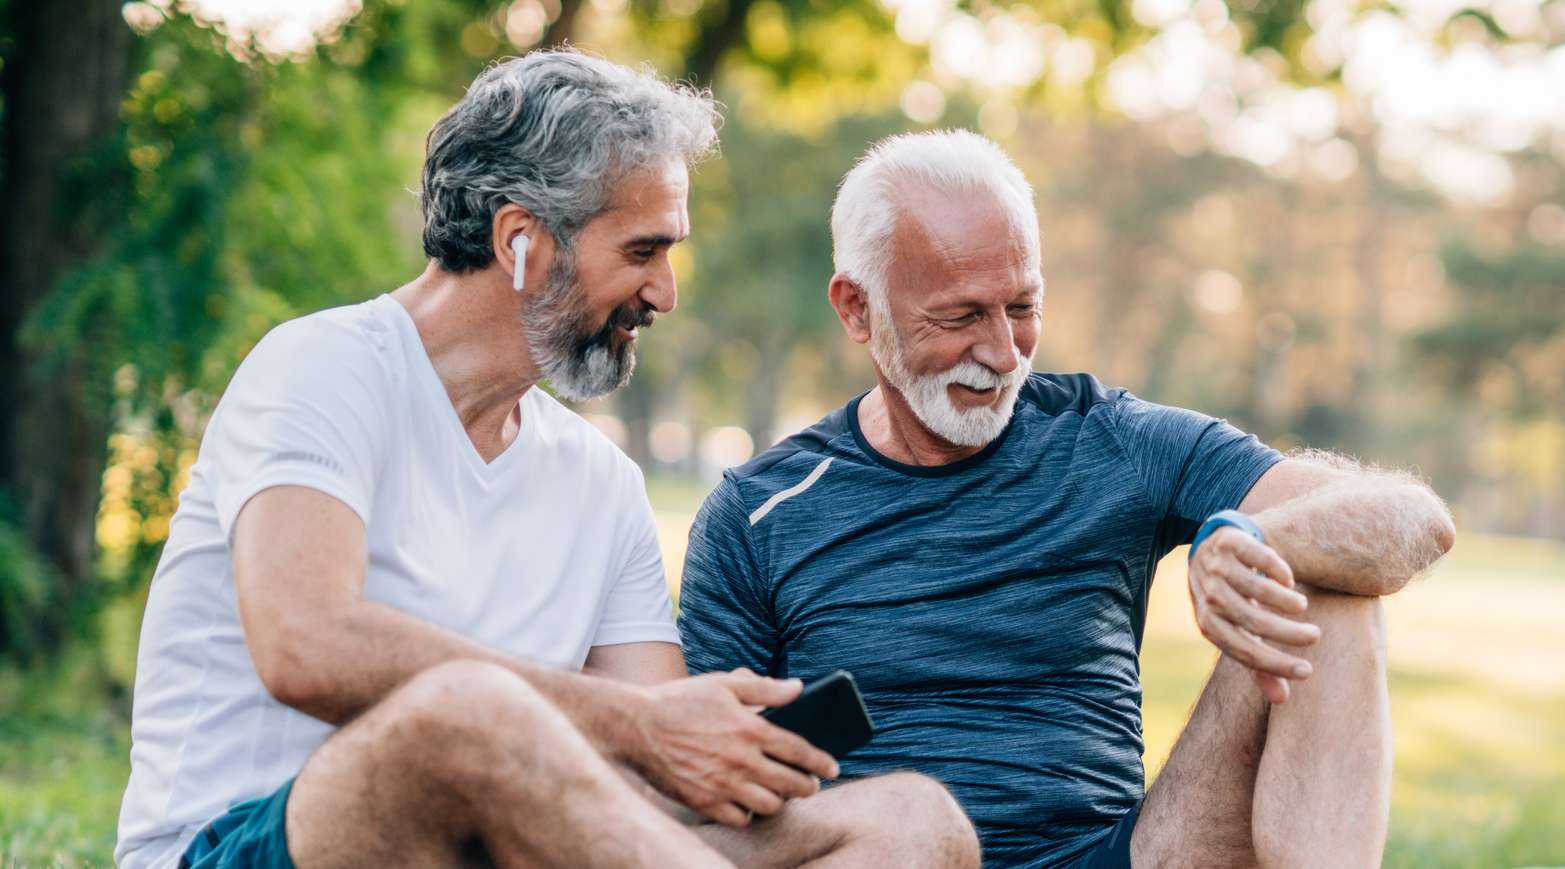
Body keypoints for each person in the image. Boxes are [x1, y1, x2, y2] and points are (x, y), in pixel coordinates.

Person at [116, 51, 978, 869]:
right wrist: (638, 727)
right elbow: (303, 643)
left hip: (510, 842)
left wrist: (714, 744)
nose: (665, 293)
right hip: (251, 842)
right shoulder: (324, 367)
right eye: (641, 251)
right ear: (520, 240)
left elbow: (651, 750)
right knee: (470, 710)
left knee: (910, 818)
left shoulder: (599, 482)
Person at [677, 129, 1456, 869]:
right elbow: (695, 807)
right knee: (908, 822)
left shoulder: (1107, 439)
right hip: (895, 850)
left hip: (1127, 852)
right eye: (959, 316)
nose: (1001, 352)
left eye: (1021, 307)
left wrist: (1252, 536)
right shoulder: (757, 514)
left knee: (1333, 580)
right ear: (856, 308)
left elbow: (1415, 519)